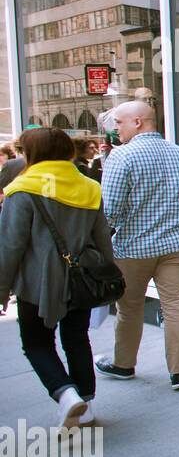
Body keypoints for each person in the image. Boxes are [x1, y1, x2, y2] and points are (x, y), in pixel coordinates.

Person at [0, 127, 113, 427]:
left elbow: (9, 247)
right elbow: (102, 238)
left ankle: (65, 394)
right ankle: (85, 405)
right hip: (83, 277)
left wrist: (1, 290)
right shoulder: (89, 186)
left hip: (36, 283)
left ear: (31, 153)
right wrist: (107, 276)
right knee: (76, 338)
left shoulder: (21, 189)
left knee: (37, 343)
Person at [95, 101, 179, 391]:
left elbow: (111, 211)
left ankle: (123, 365)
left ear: (139, 121)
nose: (115, 128)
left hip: (133, 248)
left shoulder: (121, 158)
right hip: (175, 245)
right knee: (176, 307)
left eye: (119, 122)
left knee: (129, 308)